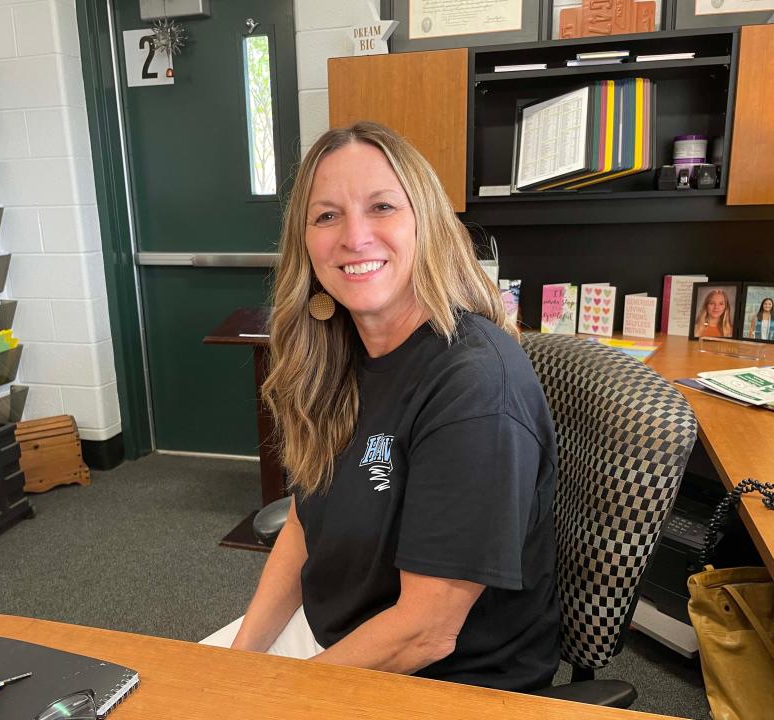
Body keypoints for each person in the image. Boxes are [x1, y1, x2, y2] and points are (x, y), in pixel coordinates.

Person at [201, 122, 560, 693]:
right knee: (175, 688)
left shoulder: (475, 387)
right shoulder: (336, 356)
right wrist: (240, 663)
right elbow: (303, 520)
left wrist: (269, 697)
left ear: (427, 224)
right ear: (306, 244)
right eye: (327, 216)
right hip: (341, 640)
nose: (354, 236)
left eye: (382, 206)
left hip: (440, 681)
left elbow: (427, 632)